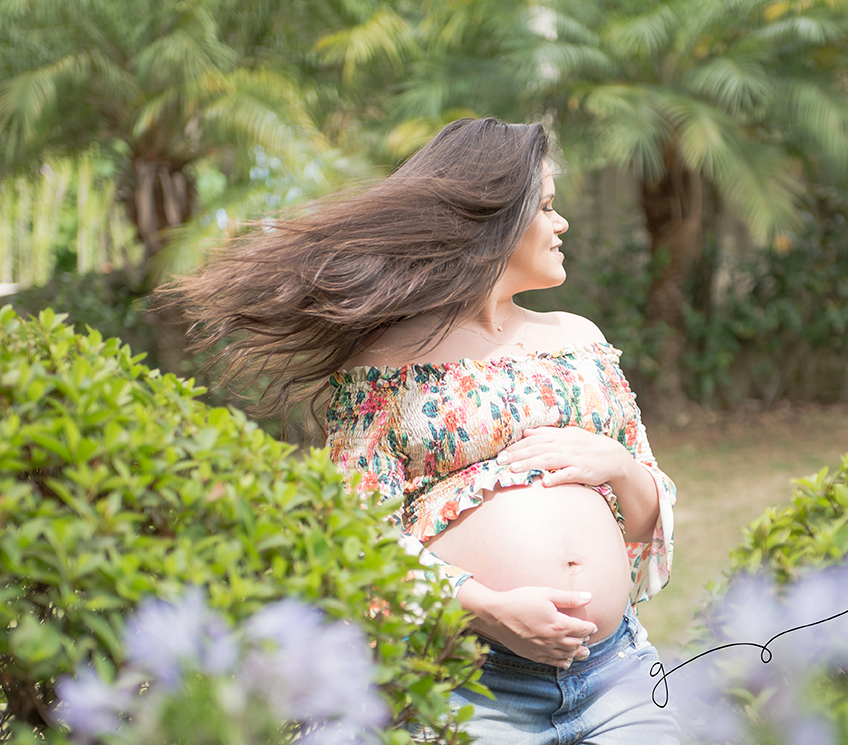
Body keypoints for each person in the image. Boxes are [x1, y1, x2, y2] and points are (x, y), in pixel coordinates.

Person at [171, 117, 678, 744]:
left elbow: (647, 510)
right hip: (473, 684)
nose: (562, 222)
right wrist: (488, 608)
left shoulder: (580, 340)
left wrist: (620, 467)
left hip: (616, 675)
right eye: (545, 206)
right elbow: (357, 534)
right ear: (494, 219)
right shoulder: (387, 365)